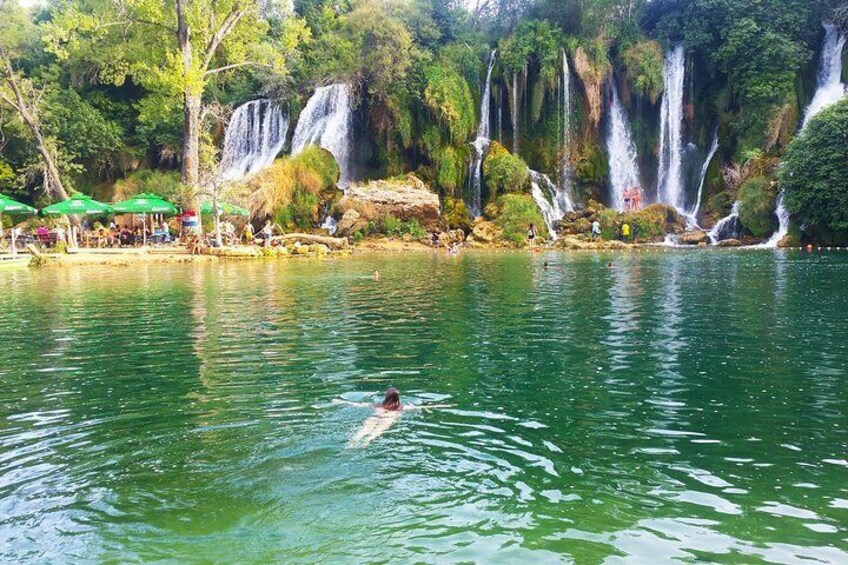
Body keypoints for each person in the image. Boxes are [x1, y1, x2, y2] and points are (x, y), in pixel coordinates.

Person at [341, 387, 450, 448]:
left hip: (376, 416)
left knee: (363, 430)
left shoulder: (378, 405)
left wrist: (339, 402)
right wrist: (443, 405)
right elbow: (421, 407)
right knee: (376, 431)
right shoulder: (401, 407)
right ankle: (366, 442)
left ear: (386, 396)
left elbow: (359, 405)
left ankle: (351, 442)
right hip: (389, 418)